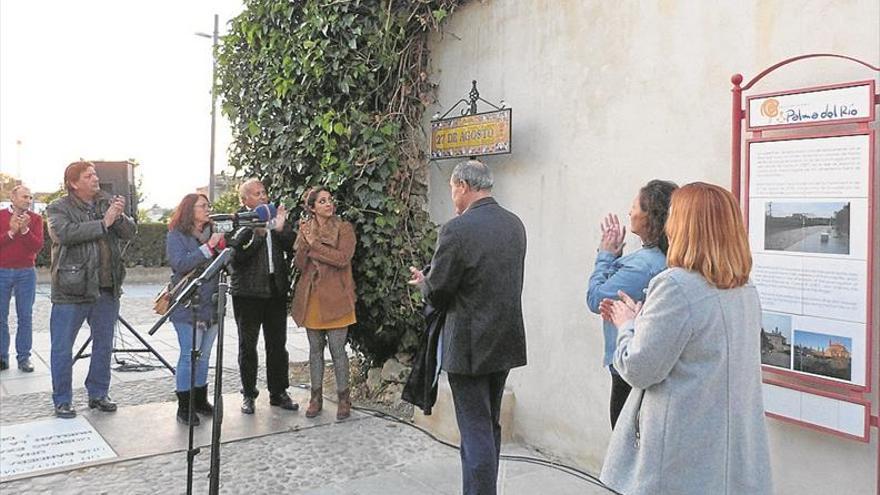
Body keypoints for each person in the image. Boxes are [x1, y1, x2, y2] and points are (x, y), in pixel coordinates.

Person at [599, 182, 772, 495]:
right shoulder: (744, 288)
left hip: (681, 454)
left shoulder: (675, 286)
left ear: (684, 225)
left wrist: (627, 324)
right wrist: (645, 320)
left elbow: (639, 368)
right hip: (728, 454)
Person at [408, 160, 527, 495]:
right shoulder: (514, 224)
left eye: (452, 189)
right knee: (489, 425)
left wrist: (425, 284)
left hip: (469, 345)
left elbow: (442, 291)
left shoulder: (456, 229)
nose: (453, 197)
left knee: (474, 428)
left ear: (461, 185)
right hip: (505, 339)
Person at [46, 161, 137, 418]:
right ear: (73, 183)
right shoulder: (57, 208)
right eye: (88, 175)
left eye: (95, 174)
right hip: (72, 289)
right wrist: (103, 223)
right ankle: (62, 399)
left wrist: (118, 215)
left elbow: (130, 233)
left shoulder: (104, 203)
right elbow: (64, 234)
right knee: (62, 348)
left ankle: (98, 393)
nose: (95, 178)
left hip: (106, 288)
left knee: (104, 345)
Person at [585, 179, 677, 428]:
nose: (630, 212)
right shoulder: (669, 258)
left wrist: (605, 256)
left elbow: (595, 298)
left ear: (650, 217)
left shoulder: (641, 265)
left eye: (635, 207)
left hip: (629, 365)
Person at [230, 178, 298, 414]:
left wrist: (281, 229)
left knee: (277, 345)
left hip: (275, 289)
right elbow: (236, 259)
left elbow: (293, 246)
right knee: (247, 346)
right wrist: (258, 236)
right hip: (248, 292)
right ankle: (248, 394)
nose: (263, 197)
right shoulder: (239, 220)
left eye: (264, 192)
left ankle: (278, 392)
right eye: (257, 193)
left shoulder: (273, 216)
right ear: (245, 199)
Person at [291, 186, 357, 420]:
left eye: (330, 200)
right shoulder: (306, 229)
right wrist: (303, 243)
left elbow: (342, 259)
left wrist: (314, 246)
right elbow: (300, 264)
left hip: (337, 297)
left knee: (338, 351)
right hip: (312, 298)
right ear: (312, 207)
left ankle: (343, 398)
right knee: (315, 350)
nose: (328, 204)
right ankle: (315, 397)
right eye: (322, 201)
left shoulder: (344, 228)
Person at [166, 193, 226, 426]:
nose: (208, 209)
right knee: (188, 355)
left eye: (208, 205)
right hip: (188, 305)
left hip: (211, 304)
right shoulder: (176, 235)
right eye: (203, 206)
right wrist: (209, 247)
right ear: (190, 209)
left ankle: (200, 399)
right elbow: (180, 263)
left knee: (204, 357)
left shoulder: (214, 232)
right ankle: (184, 405)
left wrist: (222, 248)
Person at [0, 185, 44, 372]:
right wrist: (11, 232)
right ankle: (2, 357)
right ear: (13, 197)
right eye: (25, 196)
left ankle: (24, 357)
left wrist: (25, 230)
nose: (28, 200)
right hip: (2, 271)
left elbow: (37, 246)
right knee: (1, 317)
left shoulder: (35, 219)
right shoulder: (1, 216)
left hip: (26, 272)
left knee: (25, 316)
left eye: (30, 197)